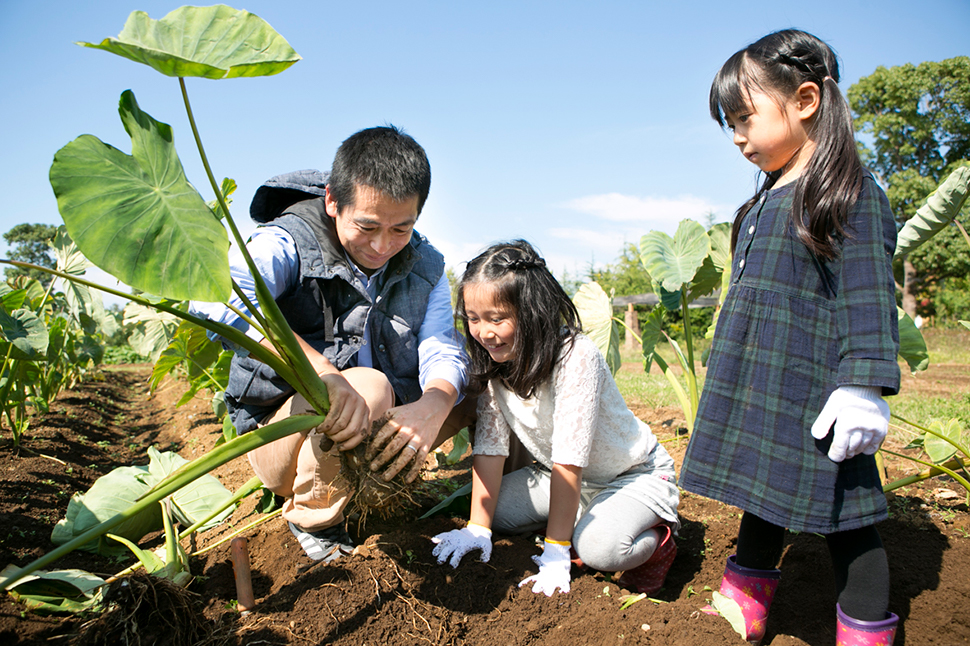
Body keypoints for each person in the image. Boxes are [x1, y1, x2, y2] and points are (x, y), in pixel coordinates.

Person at [679, 30, 901, 645]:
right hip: (765, 385)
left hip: (814, 391)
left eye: (745, 118)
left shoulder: (846, 194)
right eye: (729, 124)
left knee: (847, 520)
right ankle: (742, 607)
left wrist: (864, 385)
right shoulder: (763, 201)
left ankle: (863, 631)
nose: (737, 137)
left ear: (804, 100)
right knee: (762, 495)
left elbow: (867, 296)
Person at [191, 125, 471, 563]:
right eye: (367, 226)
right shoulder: (287, 240)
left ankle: (386, 489)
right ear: (332, 202)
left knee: (473, 392)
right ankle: (315, 519)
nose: (382, 246)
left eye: (401, 228)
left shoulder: (425, 264)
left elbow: (441, 346)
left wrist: (433, 405)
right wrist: (322, 372)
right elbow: (222, 300)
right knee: (368, 387)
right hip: (283, 437)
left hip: (369, 434)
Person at [429, 240, 680, 597]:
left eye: (497, 319)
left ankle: (659, 543)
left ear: (531, 312)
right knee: (492, 512)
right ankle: (583, 518)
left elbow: (570, 459)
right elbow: (490, 446)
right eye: (473, 319)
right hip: (558, 476)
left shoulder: (575, 356)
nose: (483, 332)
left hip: (631, 476)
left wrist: (556, 551)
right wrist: (477, 529)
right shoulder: (494, 361)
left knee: (601, 550)